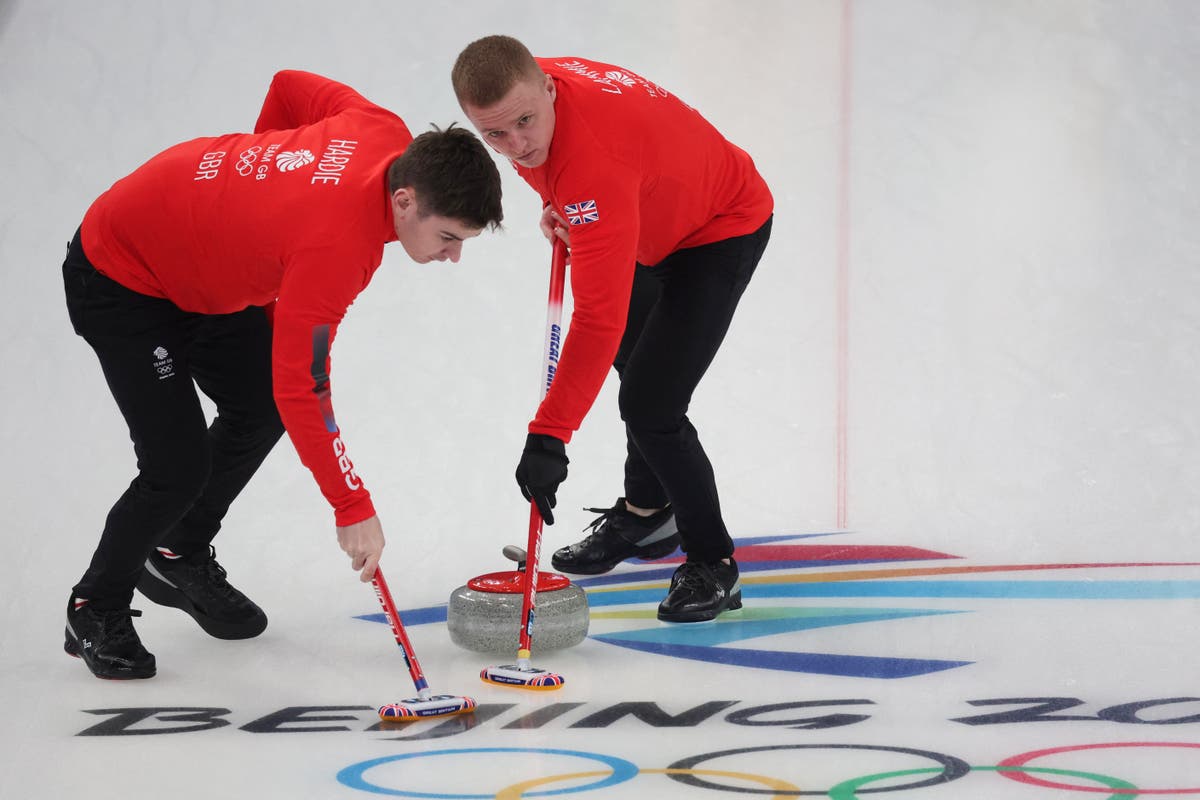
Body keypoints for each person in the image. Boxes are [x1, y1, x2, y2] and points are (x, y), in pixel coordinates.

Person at [62, 70, 503, 680]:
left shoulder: (380, 130)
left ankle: (177, 548)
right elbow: (303, 386)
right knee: (176, 466)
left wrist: (257, 204)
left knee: (259, 406)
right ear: (405, 201)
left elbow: (289, 86)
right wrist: (351, 505)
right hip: (122, 276)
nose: (453, 256)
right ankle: (94, 606)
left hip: (201, 270)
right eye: (448, 237)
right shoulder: (337, 250)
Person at [452, 37, 773, 623]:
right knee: (635, 359)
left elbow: (598, 315)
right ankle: (648, 514)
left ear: (548, 89)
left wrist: (549, 436)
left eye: (524, 123)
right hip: (644, 214)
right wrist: (562, 201)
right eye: (494, 134)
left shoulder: (592, 162)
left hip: (720, 228)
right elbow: (570, 175)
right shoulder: (529, 94)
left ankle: (714, 562)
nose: (517, 145)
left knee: (652, 405)